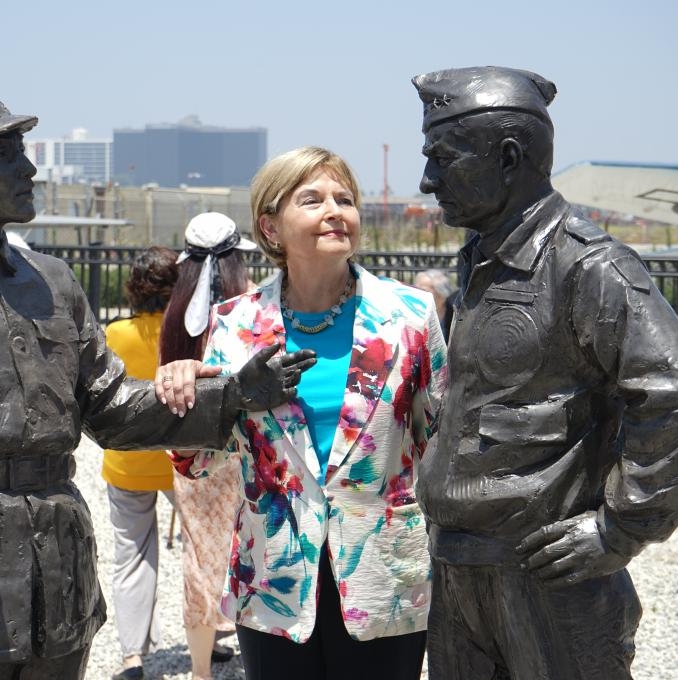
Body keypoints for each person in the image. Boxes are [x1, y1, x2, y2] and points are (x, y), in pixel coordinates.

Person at [0, 87, 315, 680]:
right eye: (1, 154)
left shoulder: (52, 282)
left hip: (57, 576)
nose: (27, 168)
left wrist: (232, 393)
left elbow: (114, 409)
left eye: (22, 149)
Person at [412, 66, 678, 679]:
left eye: (444, 159)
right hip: (458, 570)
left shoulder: (588, 268)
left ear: (509, 158)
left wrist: (618, 530)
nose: (428, 181)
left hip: (543, 578)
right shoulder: (484, 260)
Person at [164, 146, 448, 680]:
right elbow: (198, 462)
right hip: (272, 576)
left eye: (346, 199)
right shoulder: (234, 324)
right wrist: (185, 397)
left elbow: (444, 443)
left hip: (384, 572)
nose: (335, 211)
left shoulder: (410, 315)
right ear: (271, 229)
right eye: (312, 199)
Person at [160, 211, 256, 680]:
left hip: (193, 449)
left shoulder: (177, 311)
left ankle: (200, 671)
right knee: (256, 548)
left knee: (199, 556)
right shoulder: (252, 305)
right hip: (249, 448)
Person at [101, 246, 180, 680]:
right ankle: (211, 630)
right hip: (179, 459)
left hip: (127, 458)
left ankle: (132, 656)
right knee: (206, 550)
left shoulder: (115, 333)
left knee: (130, 555)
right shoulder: (187, 334)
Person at [413, 268, 456, 341]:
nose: (416, 294)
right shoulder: (412, 314)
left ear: (441, 294)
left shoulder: (455, 314)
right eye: (415, 289)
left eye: (423, 290)